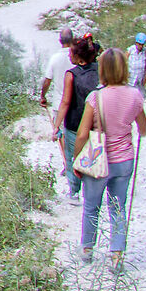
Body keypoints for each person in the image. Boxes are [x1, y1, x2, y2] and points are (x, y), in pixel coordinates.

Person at [78, 47, 146, 268]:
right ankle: (116, 255)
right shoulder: (135, 95)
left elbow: (82, 134)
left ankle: (88, 250)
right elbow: (144, 129)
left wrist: (77, 161)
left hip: (98, 160)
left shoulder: (95, 97)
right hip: (124, 160)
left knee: (91, 206)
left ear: (103, 70)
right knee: (118, 207)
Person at [51, 38, 100, 201]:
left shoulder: (71, 75)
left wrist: (56, 126)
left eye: (71, 53)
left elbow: (65, 101)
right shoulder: (98, 70)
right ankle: (92, 190)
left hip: (74, 124)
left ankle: (74, 191)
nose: (69, 56)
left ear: (78, 57)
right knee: (92, 155)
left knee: (73, 157)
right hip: (95, 123)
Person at [41, 30, 76, 109]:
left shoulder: (54, 58)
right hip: (75, 105)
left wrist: (43, 96)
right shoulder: (77, 57)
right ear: (72, 39)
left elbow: (47, 81)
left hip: (59, 104)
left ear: (60, 41)